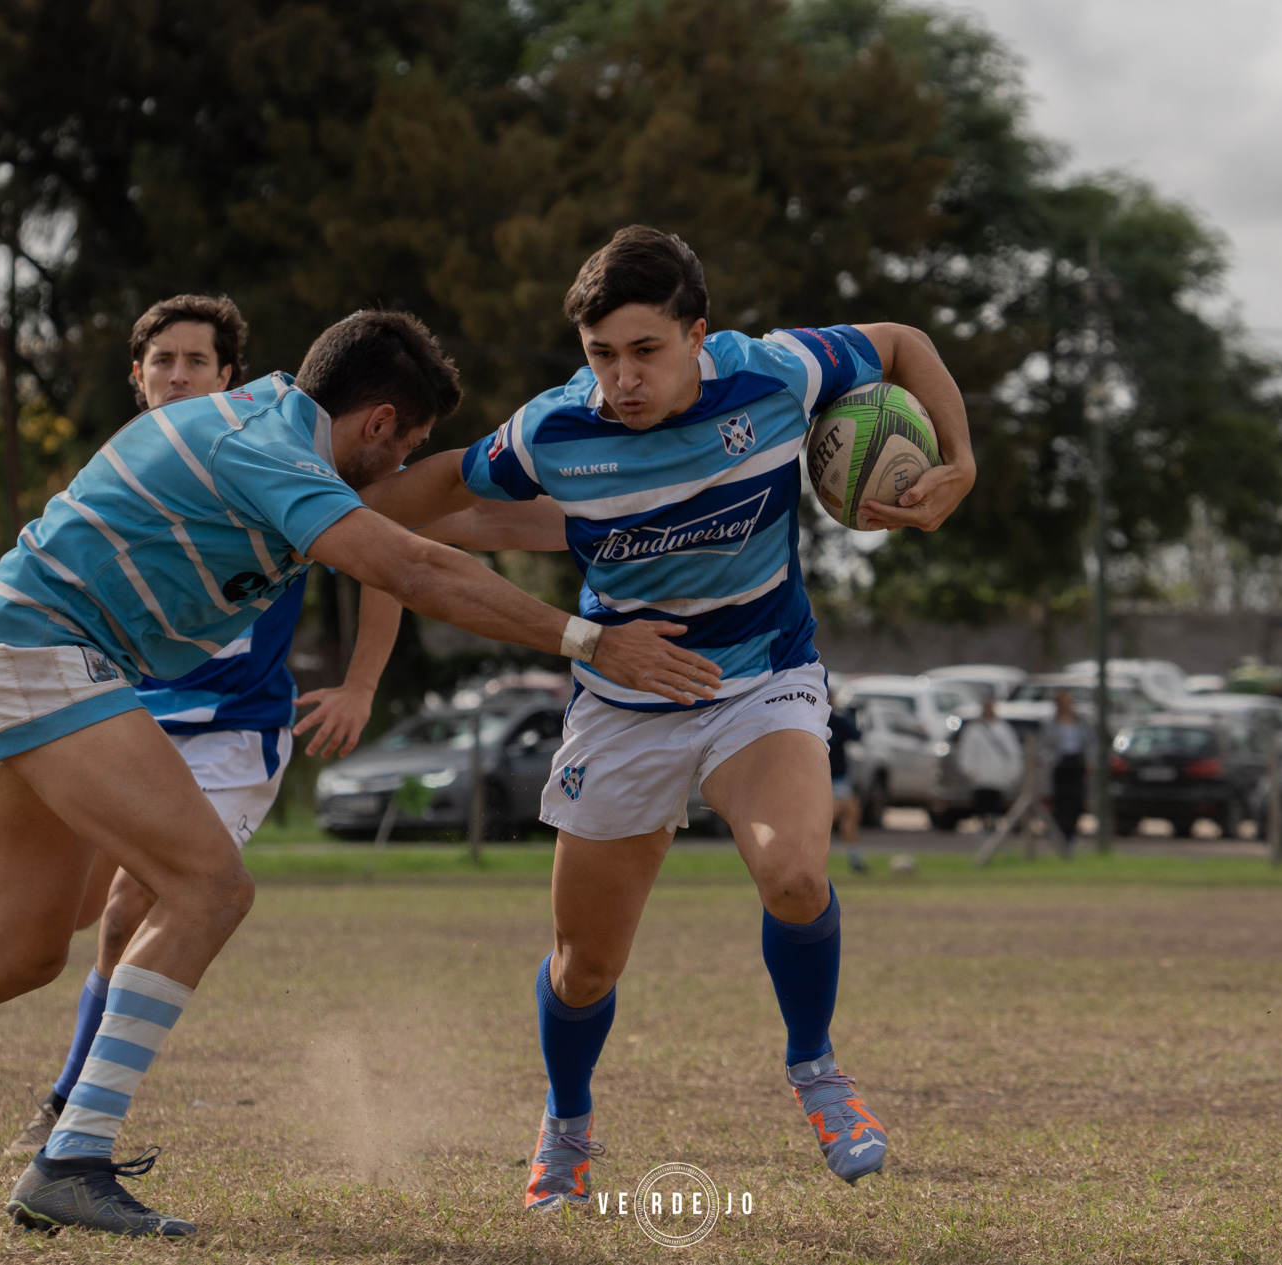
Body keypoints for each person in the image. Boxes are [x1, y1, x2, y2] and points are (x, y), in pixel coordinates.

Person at [0, 307, 717, 1235]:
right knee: (208, 887)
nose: (399, 469)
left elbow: (462, 527)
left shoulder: (269, 429)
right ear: (378, 423)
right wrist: (590, 640)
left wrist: (658, 509)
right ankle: (72, 1156)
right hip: (41, 656)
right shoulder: (268, 449)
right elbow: (415, 570)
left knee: (18, 948)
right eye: (406, 446)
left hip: (17, 652)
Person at [359, 226, 976, 1205]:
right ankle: (566, 1122)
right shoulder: (554, 432)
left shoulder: (775, 374)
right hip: (623, 701)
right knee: (584, 966)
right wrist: (308, 514)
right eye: (601, 354)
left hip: (762, 674)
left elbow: (900, 341)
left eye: (646, 351)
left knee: (794, 869)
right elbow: (412, 498)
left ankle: (817, 1069)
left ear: (699, 335)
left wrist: (961, 462)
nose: (621, 379)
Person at [0, 294, 400, 1160]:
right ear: (137, 379)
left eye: (197, 362)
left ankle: (69, 1119)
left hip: (230, 729)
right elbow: (59, 574)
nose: (179, 374)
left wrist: (359, 684)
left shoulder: (275, 458)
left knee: (152, 892)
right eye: (162, 361)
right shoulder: (135, 468)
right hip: (117, 713)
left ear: (229, 379)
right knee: (46, 929)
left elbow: (390, 557)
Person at [957, 696, 1023, 822]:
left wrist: (1013, 773)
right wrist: (968, 770)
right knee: (981, 806)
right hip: (980, 778)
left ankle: (992, 826)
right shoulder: (973, 730)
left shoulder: (1004, 729)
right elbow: (967, 751)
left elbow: (1014, 753)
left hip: (998, 777)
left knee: (995, 807)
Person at [1049, 691, 1090, 841]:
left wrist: (1089, 760)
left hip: (1077, 762)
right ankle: (1062, 833)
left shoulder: (1081, 722)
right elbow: (1045, 744)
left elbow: (1091, 742)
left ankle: (1071, 830)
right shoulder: (1051, 723)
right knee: (1062, 800)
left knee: (1076, 799)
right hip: (1060, 763)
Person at [826, 698, 862, 844]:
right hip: (831, 778)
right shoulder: (834, 721)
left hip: (836, 778)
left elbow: (856, 736)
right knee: (833, 816)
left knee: (851, 813)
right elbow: (857, 735)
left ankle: (854, 856)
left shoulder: (835, 721)